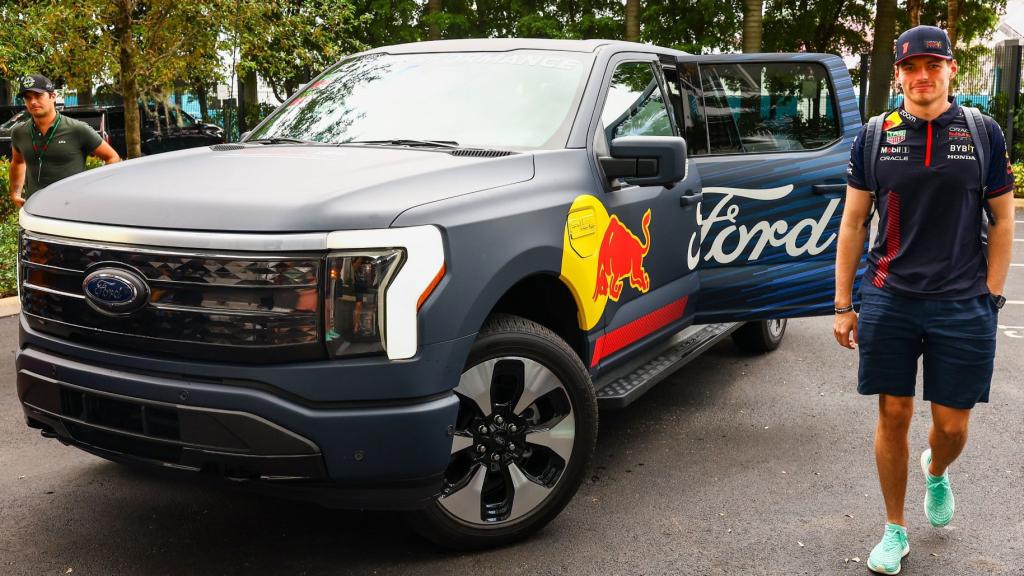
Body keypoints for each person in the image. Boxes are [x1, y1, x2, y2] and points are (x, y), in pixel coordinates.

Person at [833, 25, 1015, 575]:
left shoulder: (981, 133)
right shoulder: (876, 134)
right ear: (898, 75)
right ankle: (895, 529)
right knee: (893, 412)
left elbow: (1003, 219)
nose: (922, 76)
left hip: (963, 301)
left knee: (954, 424)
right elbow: (853, 220)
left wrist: (993, 295)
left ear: (951, 71)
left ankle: (936, 468)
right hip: (890, 296)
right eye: (911, 67)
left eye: (933, 65)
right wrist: (845, 303)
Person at [9, 74, 120, 208]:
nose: (33, 102)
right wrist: (15, 194)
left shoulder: (77, 129)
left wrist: (96, 190)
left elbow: (112, 157)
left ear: (53, 96)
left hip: (71, 210)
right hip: (34, 209)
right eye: (28, 97)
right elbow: (18, 162)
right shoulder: (19, 132)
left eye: (38, 95)